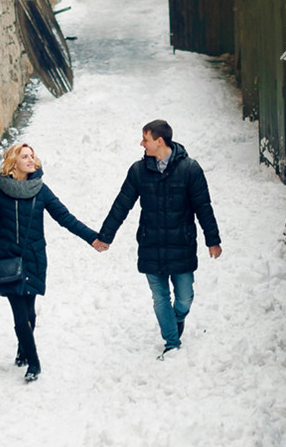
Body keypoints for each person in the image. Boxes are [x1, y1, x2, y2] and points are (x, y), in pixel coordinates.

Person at [93, 119, 222, 359]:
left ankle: (176, 320)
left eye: (145, 139)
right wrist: (105, 236)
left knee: (184, 298)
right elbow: (121, 205)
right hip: (150, 244)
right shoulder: (138, 171)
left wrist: (212, 240)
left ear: (159, 141)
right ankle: (172, 342)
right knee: (160, 296)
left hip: (181, 244)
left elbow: (204, 207)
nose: (142, 144)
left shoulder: (190, 169)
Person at [0, 143, 102, 382]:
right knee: (20, 316)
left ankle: (23, 349)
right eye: (25, 156)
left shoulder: (40, 190)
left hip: (33, 258)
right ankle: (34, 363)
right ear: (14, 162)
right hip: (7, 260)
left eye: (32, 156)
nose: (31, 160)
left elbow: (65, 218)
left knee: (30, 311)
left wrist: (93, 238)